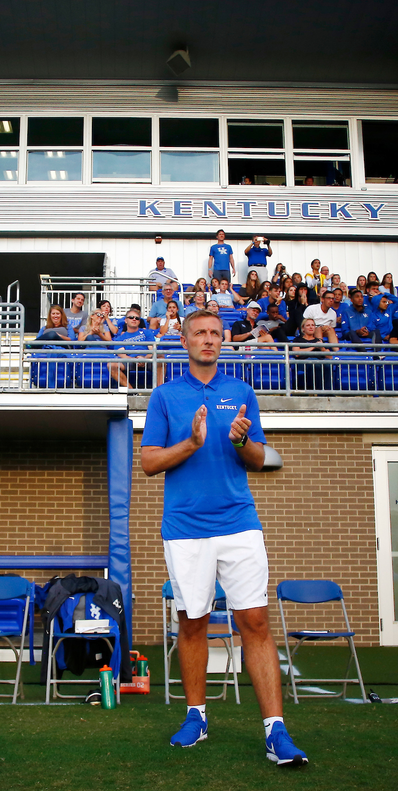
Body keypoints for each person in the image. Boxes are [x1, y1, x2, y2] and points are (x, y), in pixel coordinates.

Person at [140, 309, 307, 766]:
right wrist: (191, 444)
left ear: (223, 340)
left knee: (254, 622)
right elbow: (149, 463)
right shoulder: (165, 396)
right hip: (185, 529)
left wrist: (241, 441)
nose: (208, 339)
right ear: (184, 340)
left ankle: (276, 732)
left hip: (239, 524)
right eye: (200, 333)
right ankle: (197, 716)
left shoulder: (241, 392)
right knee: (193, 622)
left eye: (215, 333)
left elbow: (264, 460)